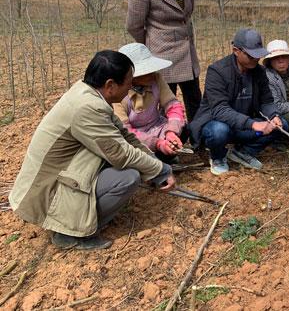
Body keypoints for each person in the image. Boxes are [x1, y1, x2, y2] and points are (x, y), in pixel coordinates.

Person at [9, 51, 176, 250]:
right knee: (128, 177)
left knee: (129, 165)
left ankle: (77, 218)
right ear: (110, 85)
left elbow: (126, 137)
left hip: (57, 176)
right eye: (128, 82)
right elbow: (122, 153)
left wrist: (154, 165)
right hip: (46, 190)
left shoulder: (88, 94)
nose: (131, 87)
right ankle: (70, 232)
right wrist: (162, 170)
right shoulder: (88, 108)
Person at [189, 29, 286, 175]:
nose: (255, 59)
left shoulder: (259, 72)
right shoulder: (217, 71)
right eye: (251, 56)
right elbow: (220, 110)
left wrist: (273, 115)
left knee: (281, 125)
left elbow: (266, 101)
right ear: (236, 51)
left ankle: (242, 152)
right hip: (221, 125)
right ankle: (218, 156)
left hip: (244, 127)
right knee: (218, 132)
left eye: (257, 56)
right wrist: (253, 124)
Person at [126, 0, 201, 123]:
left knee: (195, 99)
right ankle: (167, 141)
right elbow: (134, 25)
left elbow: (188, 11)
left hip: (187, 52)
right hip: (162, 54)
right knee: (165, 100)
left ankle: (199, 140)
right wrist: (152, 44)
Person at [114, 43, 187, 163]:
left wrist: (171, 132)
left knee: (183, 130)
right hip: (134, 136)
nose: (152, 73)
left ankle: (163, 158)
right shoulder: (118, 93)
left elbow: (172, 105)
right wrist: (157, 143)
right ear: (130, 76)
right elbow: (125, 131)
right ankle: (152, 163)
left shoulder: (156, 78)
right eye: (147, 71)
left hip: (157, 127)